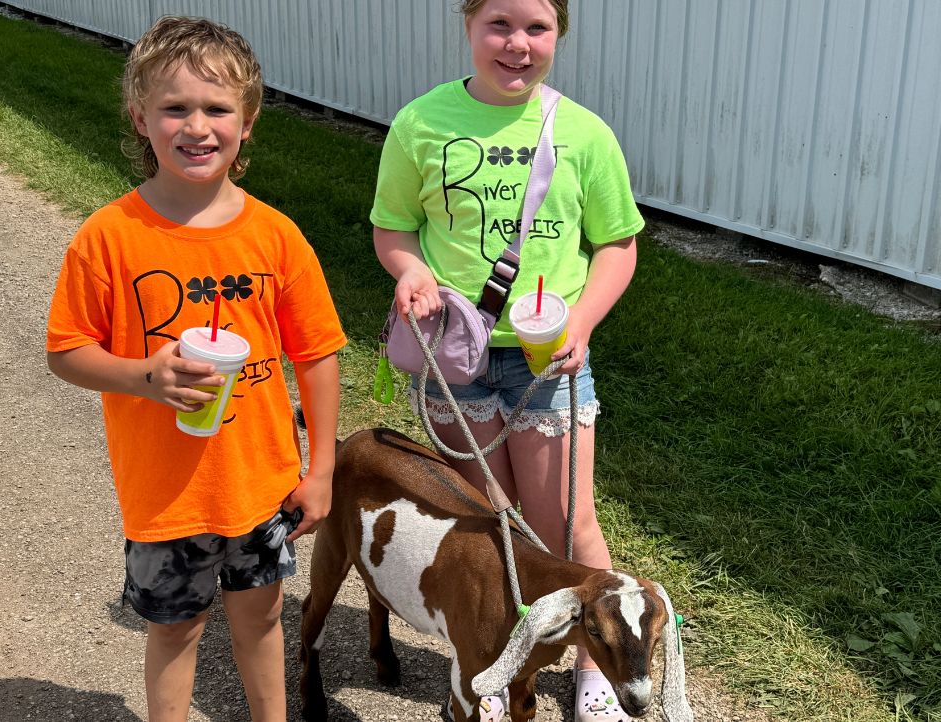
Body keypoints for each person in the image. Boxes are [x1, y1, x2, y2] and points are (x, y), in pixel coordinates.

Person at [45, 16, 345, 722]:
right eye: (175, 107)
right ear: (140, 117)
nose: (197, 126)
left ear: (248, 123)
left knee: (261, 622)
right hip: (166, 491)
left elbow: (318, 353)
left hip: (261, 481)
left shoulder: (275, 235)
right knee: (176, 629)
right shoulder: (110, 237)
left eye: (216, 109)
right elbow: (66, 351)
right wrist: (144, 377)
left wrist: (322, 466)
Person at [370, 1, 642, 719]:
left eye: (537, 28)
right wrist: (410, 272)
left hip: (547, 361)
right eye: (500, 25)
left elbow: (618, 244)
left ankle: (596, 670)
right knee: (483, 527)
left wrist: (582, 320)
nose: (517, 45)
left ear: (558, 36)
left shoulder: (583, 132)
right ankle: (492, 665)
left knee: (563, 526)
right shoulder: (421, 124)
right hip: (454, 360)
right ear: (469, 25)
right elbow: (393, 227)